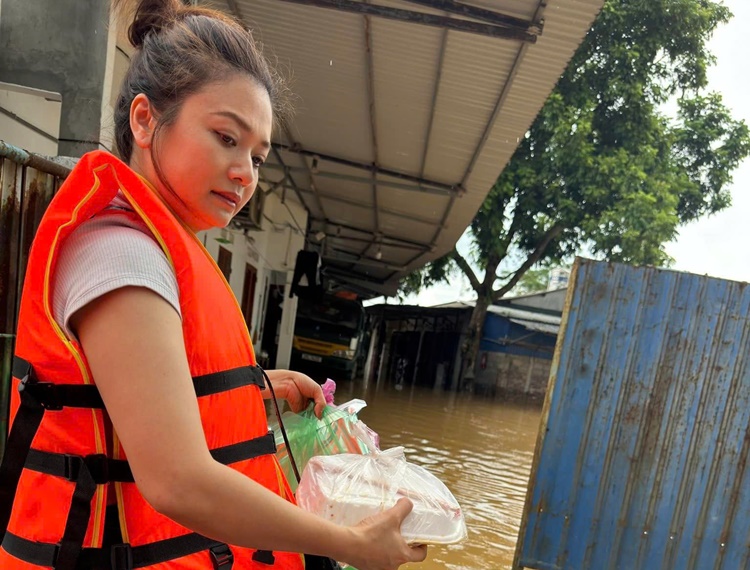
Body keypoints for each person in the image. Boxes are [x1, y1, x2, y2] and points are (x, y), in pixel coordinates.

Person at [0, 1, 429, 569]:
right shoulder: (121, 256)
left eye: (257, 155)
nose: (245, 173)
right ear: (145, 119)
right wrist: (352, 544)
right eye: (226, 138)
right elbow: (178, 481)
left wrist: (259, 391)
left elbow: (138, 402)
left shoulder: (154, 245)